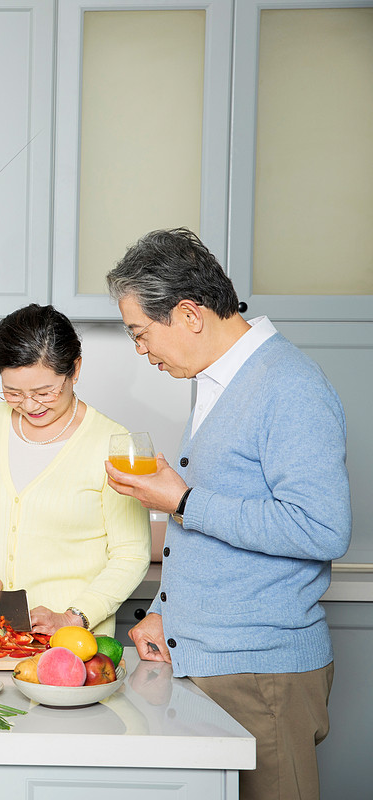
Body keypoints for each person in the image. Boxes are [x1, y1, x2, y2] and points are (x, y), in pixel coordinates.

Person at [104, 228, 350, 800]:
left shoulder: (288, 385)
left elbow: (322, 527)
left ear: (189, 314)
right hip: (214, 663)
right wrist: (168, 613)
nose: (142, 351)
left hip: (264, 675)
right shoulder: (219, 382)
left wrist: (183, 500)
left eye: (142, 334)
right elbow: (223, 531)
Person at [0, 304, 150, 637]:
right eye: (13, 392)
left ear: (74, 370)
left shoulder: (111, 442)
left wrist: (73, 618)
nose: (30, 405)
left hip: (73, 646)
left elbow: (131, 554)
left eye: (44, 392)